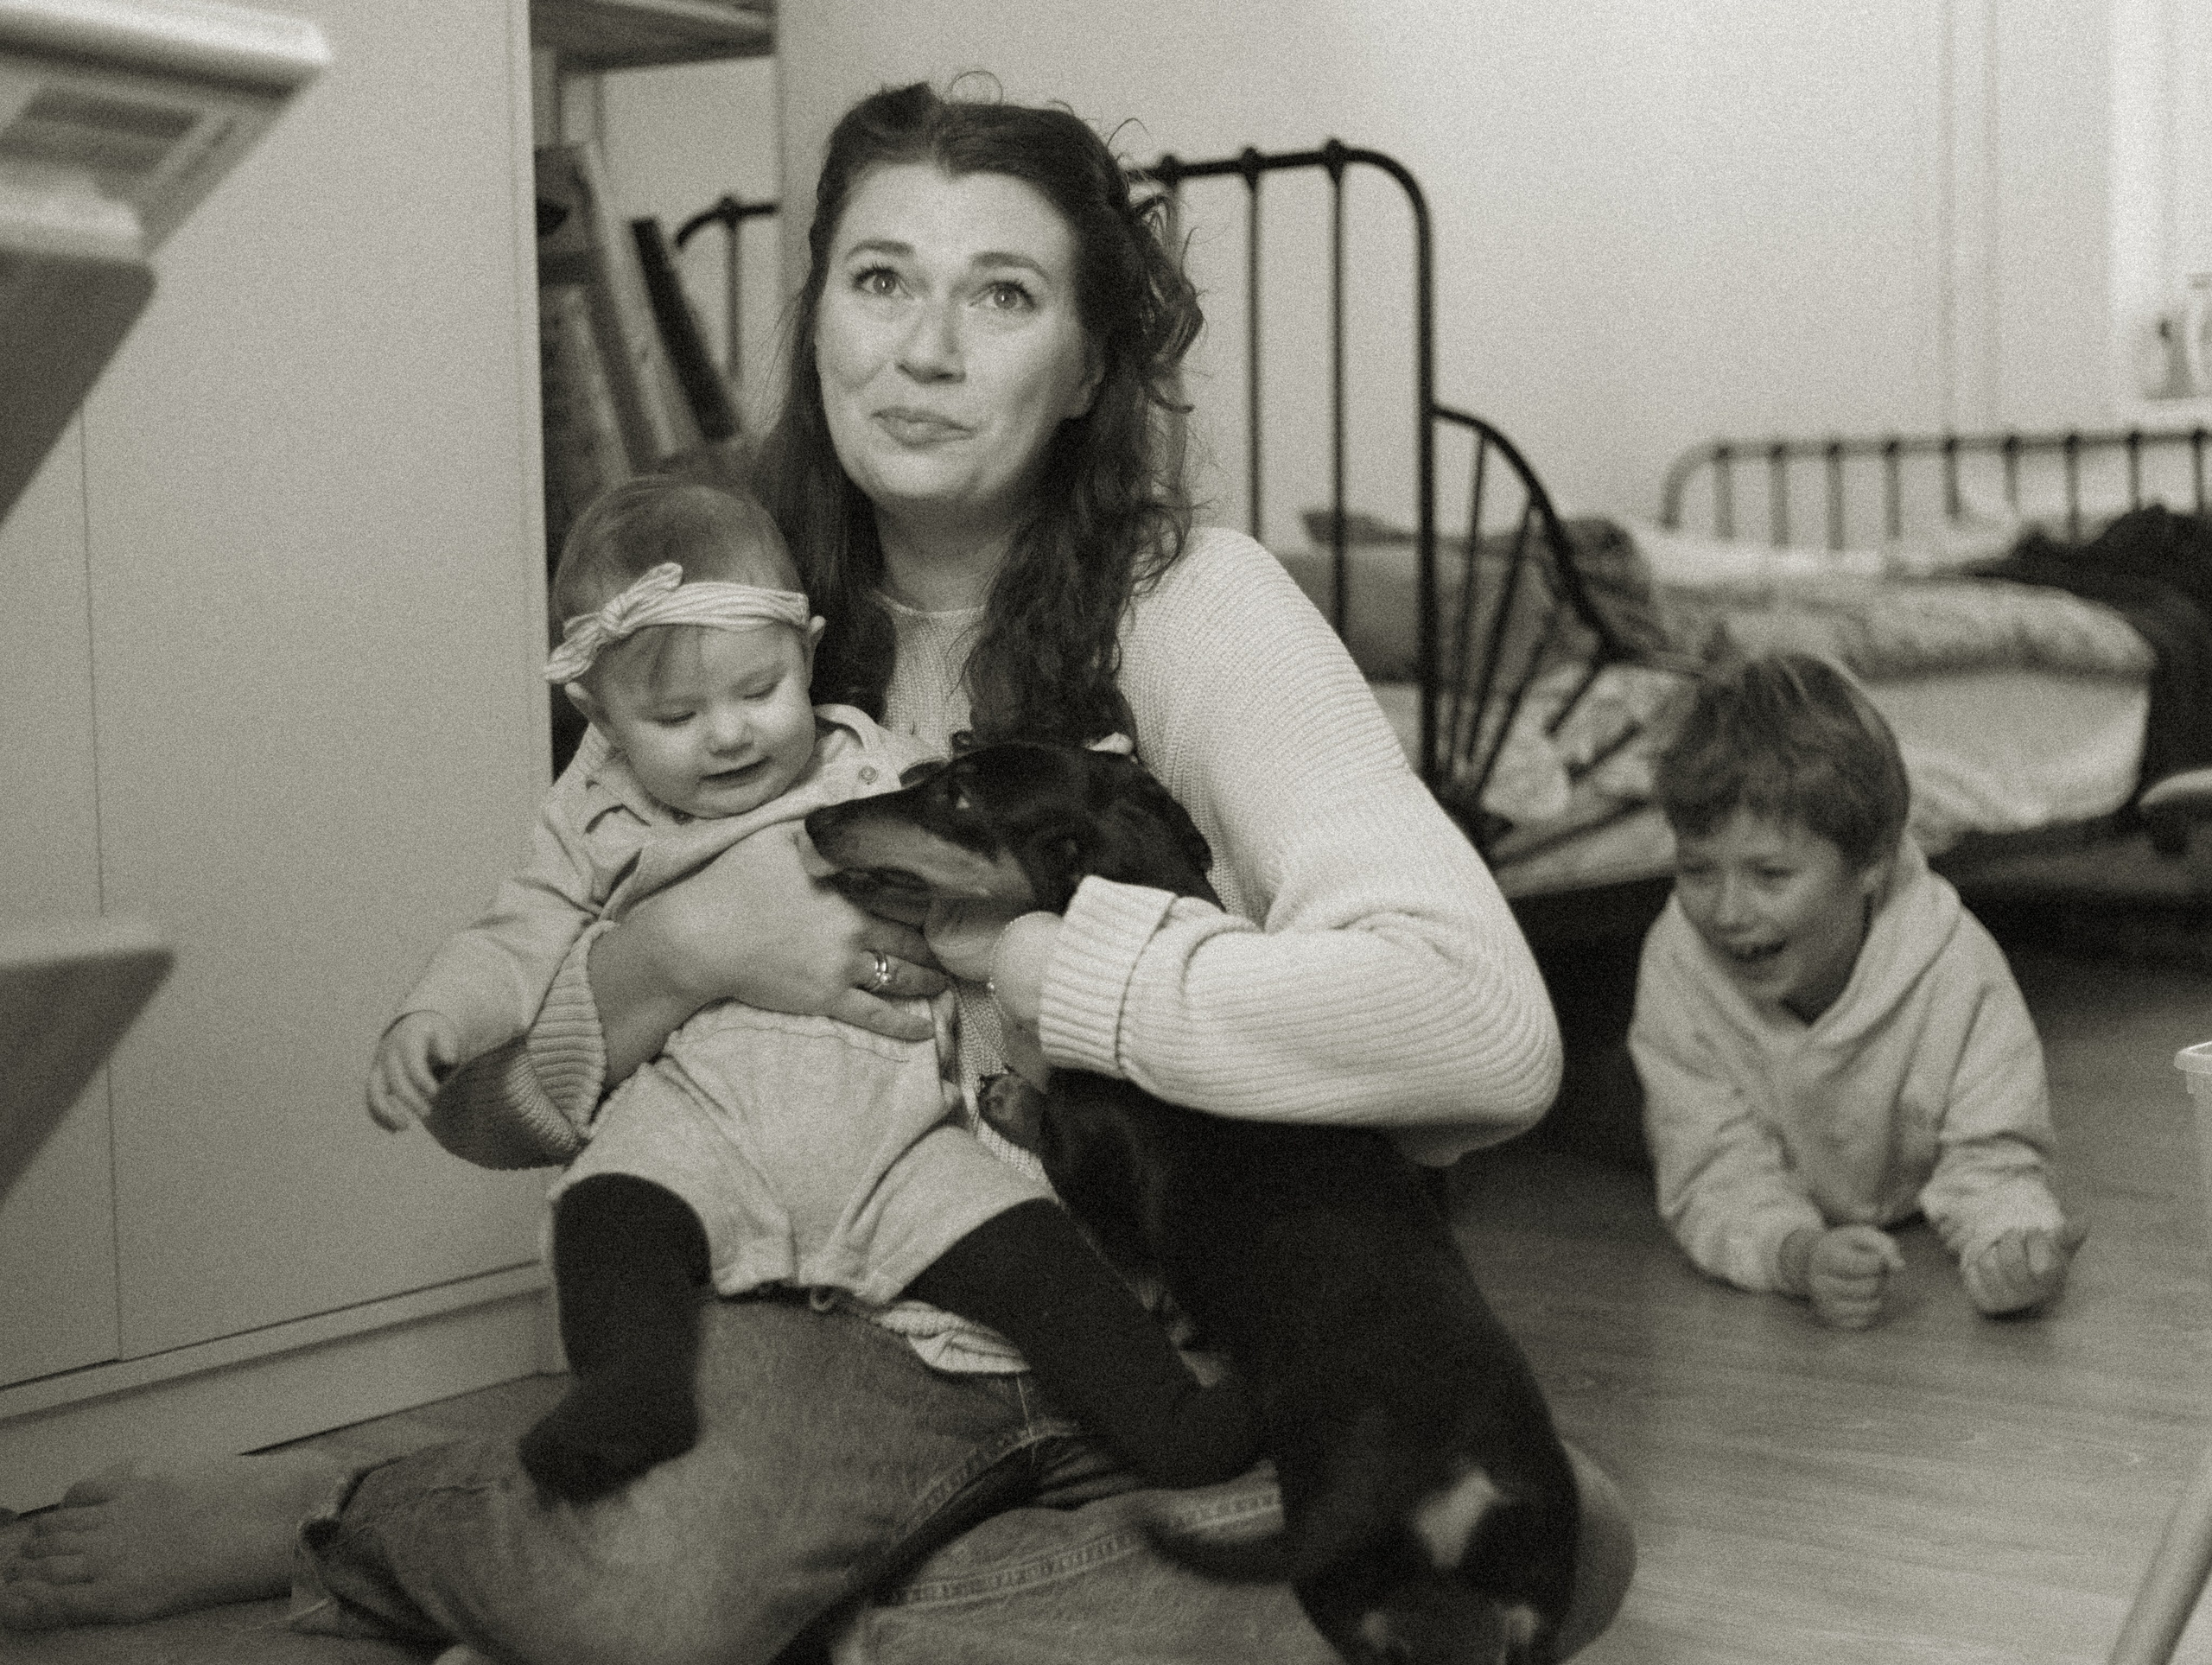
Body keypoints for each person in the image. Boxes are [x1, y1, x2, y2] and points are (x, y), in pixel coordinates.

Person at [0, 81, 1632, 1662]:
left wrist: (1030, 962)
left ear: (1086, 372)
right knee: (644, 1601)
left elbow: (1485, 1029)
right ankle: (351, 1510)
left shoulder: (1194, 606)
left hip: (1163, 1332)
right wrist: (686, 951)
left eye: (1001, 294)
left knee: (1560, 1552)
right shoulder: (719, 617)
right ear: (820, 325)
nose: (924, 350)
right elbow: (481, 1105)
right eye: (878, 281)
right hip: (849, 1307)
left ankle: (814, 1605)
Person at [367, 473, 1259, 1503]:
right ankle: (632, 1391)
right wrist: (436, 1013)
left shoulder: (873, 767)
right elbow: (511, 941)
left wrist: (1088, 779)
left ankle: (1174, 1420)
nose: (730, 735)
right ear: (595, 713)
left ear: (808, 651)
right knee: (605, 1216)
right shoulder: (593, 820)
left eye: (759, 692)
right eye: (675, 714)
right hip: (701, 1121)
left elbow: (992, 829)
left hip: (893, 1128)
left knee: (1030, 1252)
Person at [1630, 651, 2086, 1331]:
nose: (1726, 910)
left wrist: (2011, 1243)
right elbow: (1712, 1169)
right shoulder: (1677, 958)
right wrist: (1796, 1254)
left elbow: (1995, 1152)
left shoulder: (1957, 966)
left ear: (1872, 864)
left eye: (1770, 874)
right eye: (1697, 870)